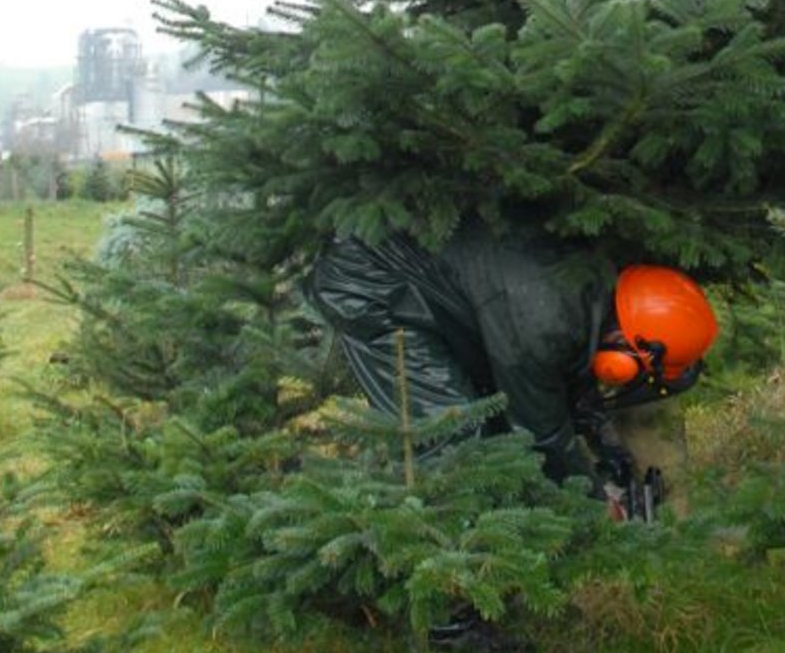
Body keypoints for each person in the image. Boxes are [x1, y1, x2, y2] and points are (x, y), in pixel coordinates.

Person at [305, 211, 719, 501]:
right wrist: (594, 504)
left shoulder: (592, 288)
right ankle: (454, 617)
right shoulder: (544, 326)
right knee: (451, 436)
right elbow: (540, 436)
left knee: (470, 424)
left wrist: (604, 443)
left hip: (429, 280)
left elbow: (569, 377)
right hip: (372, 288)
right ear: (627, 347)